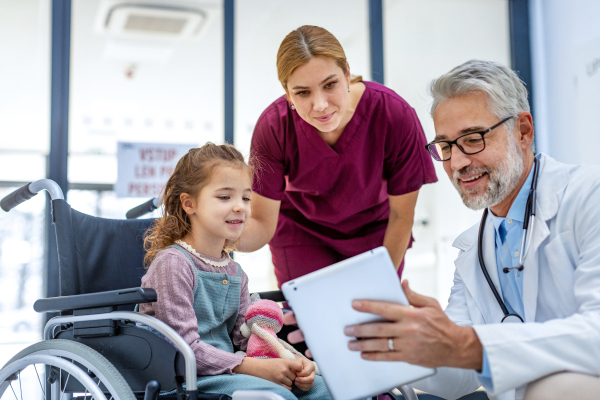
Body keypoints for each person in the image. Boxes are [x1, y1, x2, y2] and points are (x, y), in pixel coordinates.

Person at [335, 60, 600, 400]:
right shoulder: (476, 250)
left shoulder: (589, 197)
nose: (457, 163)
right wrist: (395, 343)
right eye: (445, 147)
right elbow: (457, 377)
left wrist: (467, 345)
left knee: (556, 388)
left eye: (473, 139)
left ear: (523, 130)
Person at [240, 25, 437, 286]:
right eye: (302, 92)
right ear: (287, 93)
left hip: (376, 230)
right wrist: (212, 236)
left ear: (346, 73)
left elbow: (402, 217)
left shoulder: (394, 114)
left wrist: (382, 287)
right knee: (313, 321)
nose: (320, 105)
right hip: (302, 232)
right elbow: (263, 224)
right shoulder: (273, 127)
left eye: (330, 84)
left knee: (371, 321)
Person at [139, 143, 331, 400]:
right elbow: (183, 349)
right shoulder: (173, 264)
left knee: (326, 389)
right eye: (225, 197)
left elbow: (246, 340)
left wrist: (292, 364)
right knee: (275, 395)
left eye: (246, 197)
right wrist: (255, 367)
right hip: (188, 378)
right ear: (189, 203)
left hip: (232, 371)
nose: (240, 206)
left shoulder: (234, 271)